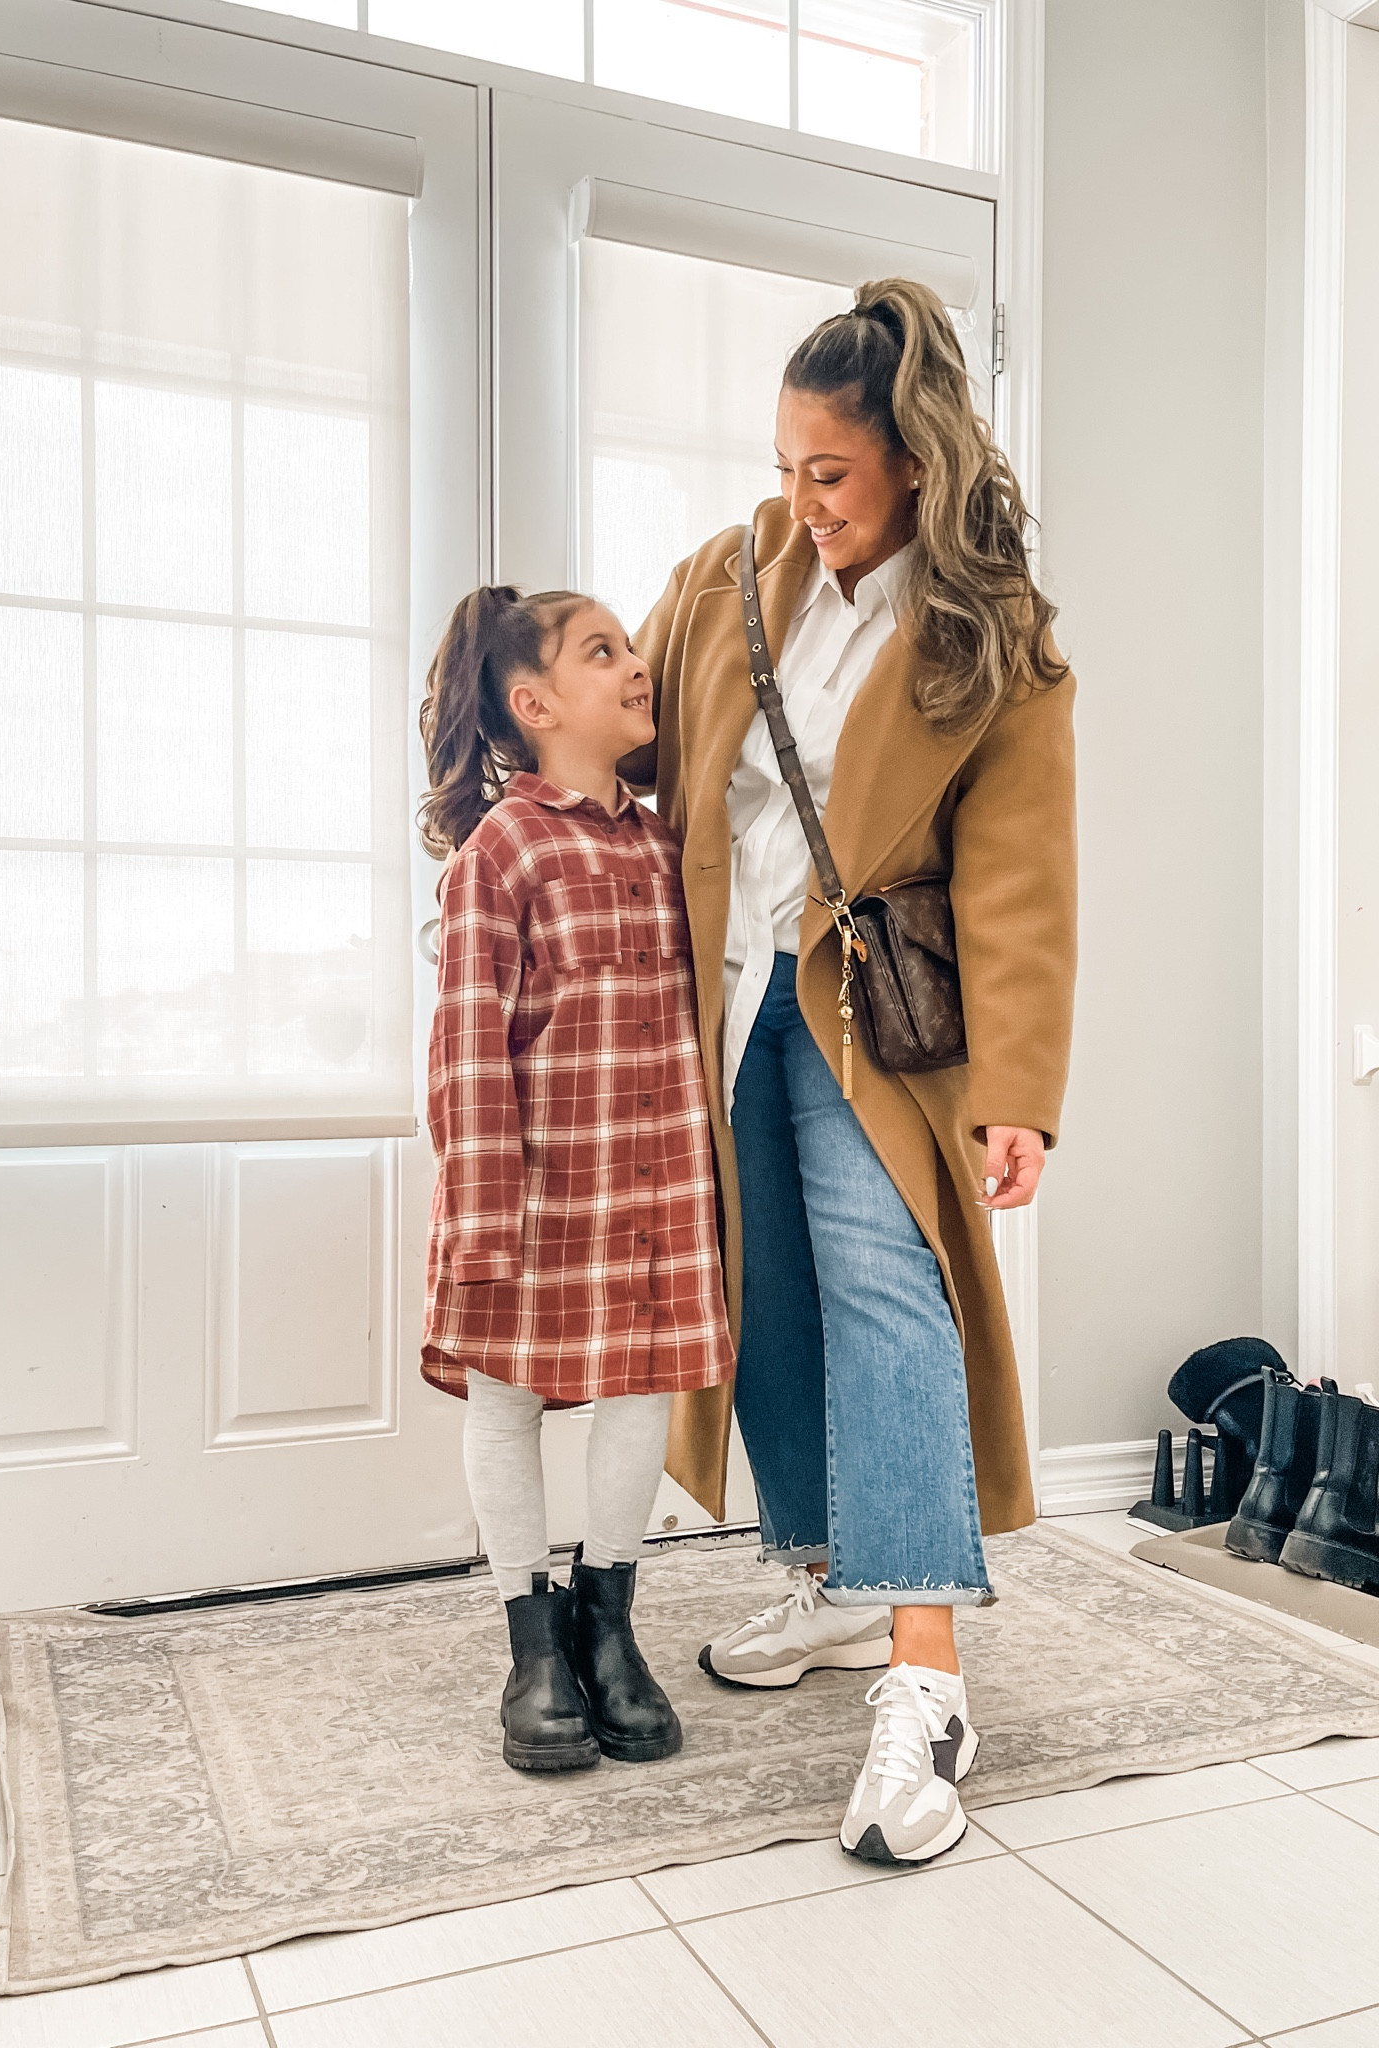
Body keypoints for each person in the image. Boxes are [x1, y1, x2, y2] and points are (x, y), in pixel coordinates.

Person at [624, 278, 1077, 1864]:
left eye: (831, 471)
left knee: (888, 1291)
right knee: (758, 1299)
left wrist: (1016, 1085)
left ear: (914, 458)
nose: (802, 497)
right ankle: (828, 1572)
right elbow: (635, 742)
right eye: (789, 465)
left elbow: (1020, 875)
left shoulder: (989, 639)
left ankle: (927, 1678)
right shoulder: (733, 572)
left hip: (867, 1015)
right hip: (717, 996)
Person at [418, 584, 736, 1775]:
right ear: (535, 701)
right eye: (606, 651)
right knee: (507, 1402)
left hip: (649, 1187)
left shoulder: (665, 845)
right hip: (533, 1190)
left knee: (641, 1390)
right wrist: (486, 1214)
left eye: (634, 645)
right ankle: (530, 1638)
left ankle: (609, 1620)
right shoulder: (504, 848)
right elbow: (464, 1041)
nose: (637, 663)